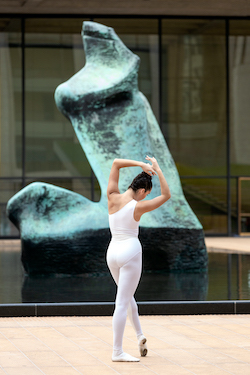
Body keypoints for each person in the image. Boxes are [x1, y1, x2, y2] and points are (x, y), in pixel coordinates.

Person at [106, 156, 171, 362]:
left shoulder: (112, 196)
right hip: (130, 253)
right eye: (146, 194)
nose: (144, 198)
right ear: (142, 191)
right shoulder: (137, 206)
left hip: (112, 254)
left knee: (126, 297)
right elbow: (167, 195)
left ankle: (139, 334)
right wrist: (157, 170)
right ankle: (117, 351)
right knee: (121, 303)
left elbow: (115, 162)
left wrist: (141, 165)